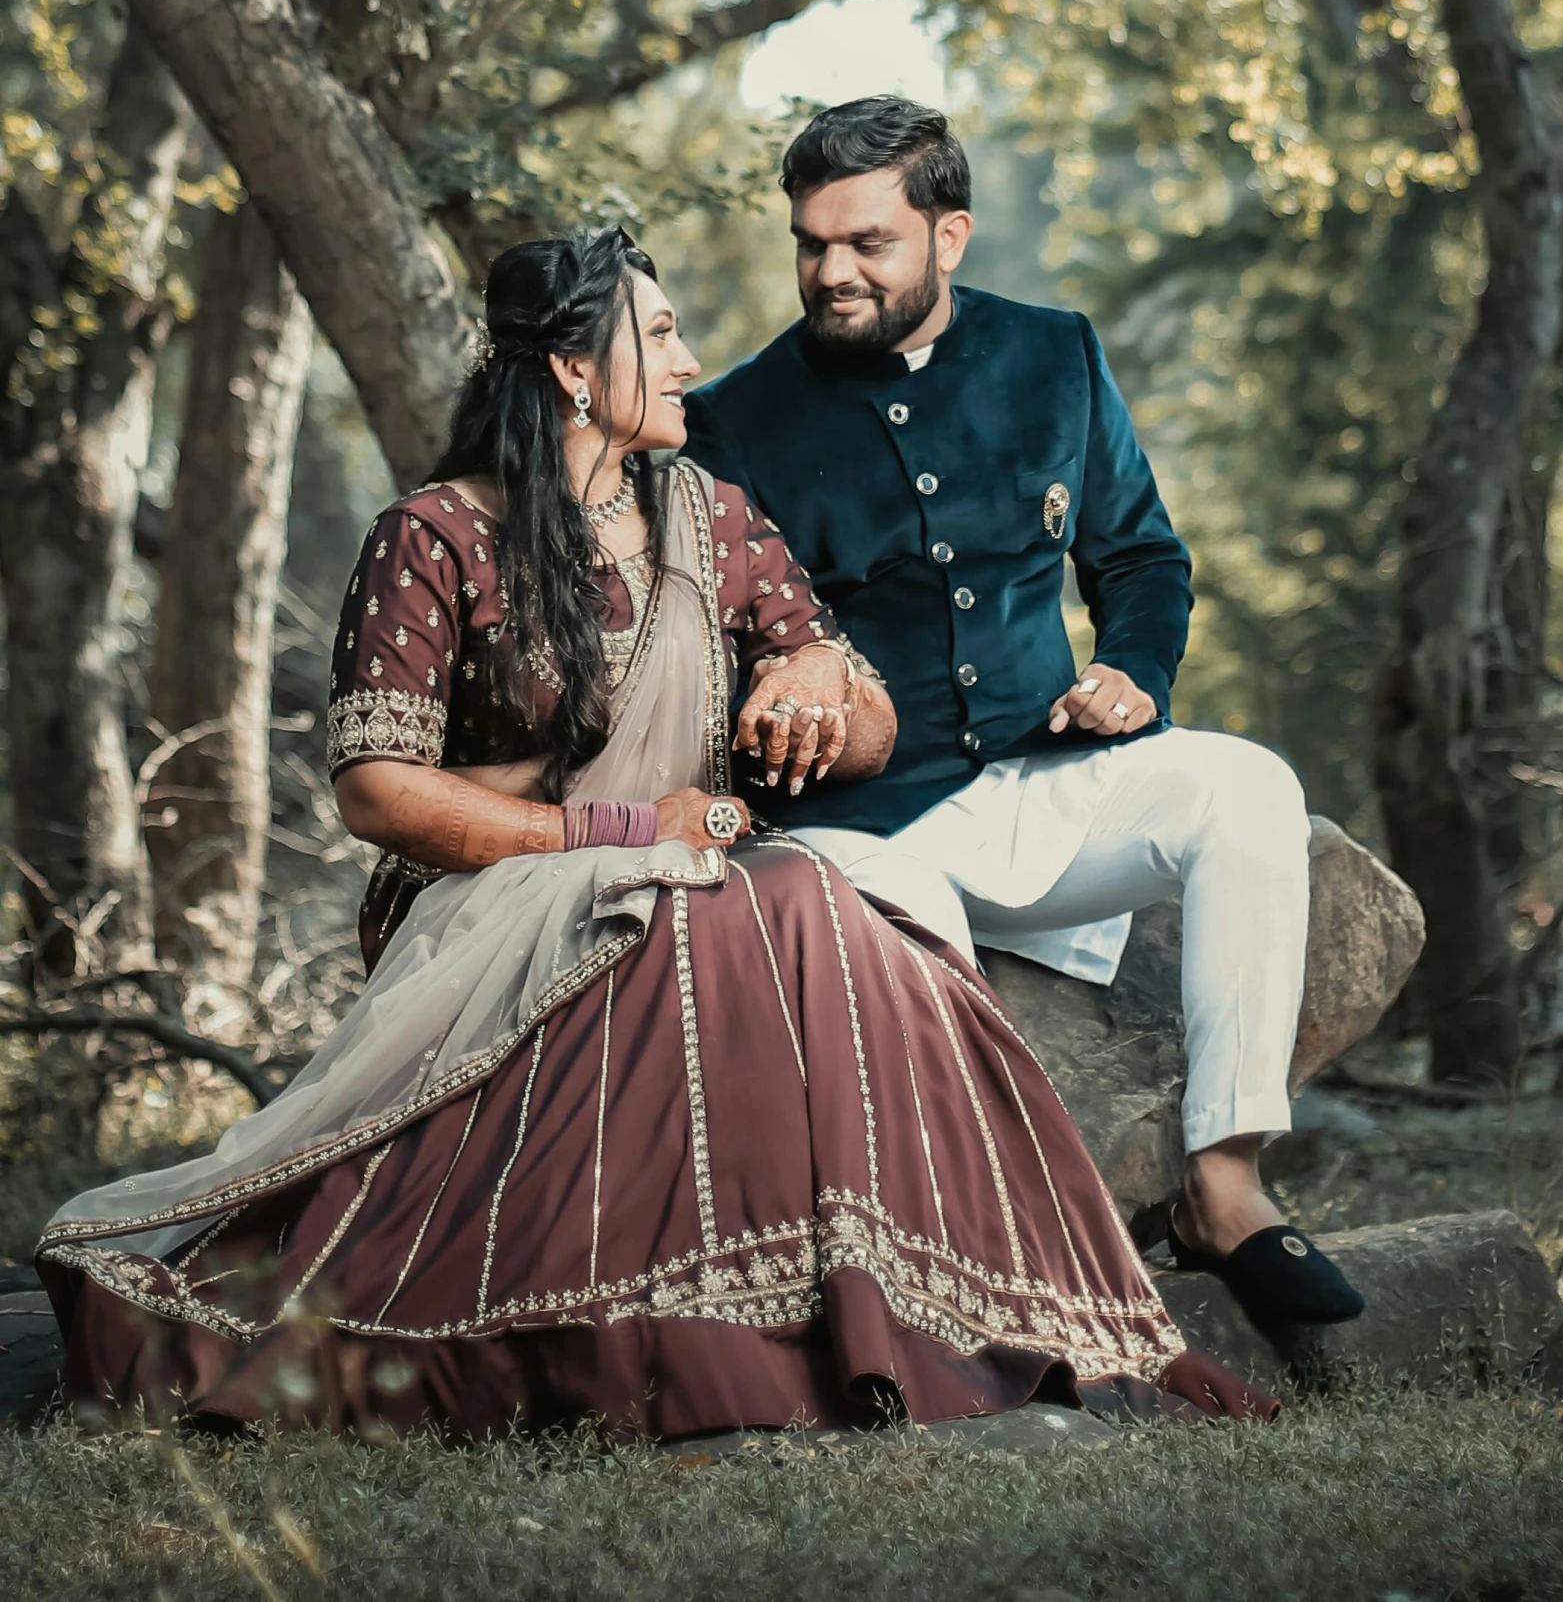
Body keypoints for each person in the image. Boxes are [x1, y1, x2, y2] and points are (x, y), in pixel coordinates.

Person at [37, 228, 1274, 1440]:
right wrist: (629, 826)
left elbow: (871, 723)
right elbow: (378, 792)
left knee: (834, 906)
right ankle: (680, 1323)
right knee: (764, 898)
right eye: (662, 333)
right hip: (494, 903)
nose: (687, 362)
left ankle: (950, 1299)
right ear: (575, 367)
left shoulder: (711, 518)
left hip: (694, 877)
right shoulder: (436, 536)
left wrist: (814, 687)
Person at [682, 98, 1364, 1332]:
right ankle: (990, 1260)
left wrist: (1136, 675)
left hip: (1050, 779)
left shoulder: (1057, 352)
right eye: (810, 242)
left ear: (951, 234)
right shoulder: (733, 418)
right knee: (918, 956)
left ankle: (1224, 1184)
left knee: (1249, 784)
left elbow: (1143, 558)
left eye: (867, 243)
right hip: (858, 823)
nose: (830, 270)